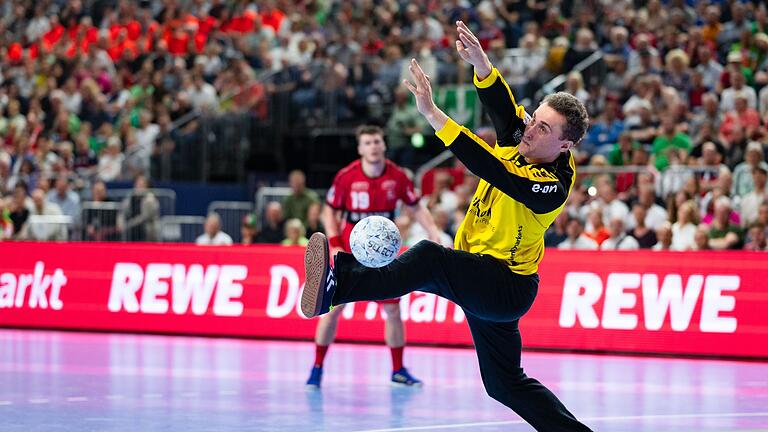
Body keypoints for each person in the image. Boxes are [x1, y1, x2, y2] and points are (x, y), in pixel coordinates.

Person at [301, 21, 592, 431]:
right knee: (505, 385)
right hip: (486, 276)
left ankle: (339, 283)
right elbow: (506, 110)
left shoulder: (552, 186)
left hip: (504, 284)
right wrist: (482, 65)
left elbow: (492, 167)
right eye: (535, 119)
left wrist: (434, 115)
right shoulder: (528, 138)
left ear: (566, 145)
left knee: (430, 259)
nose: (530, 128)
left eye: (543, 128)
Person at [305, 124, 443, 390]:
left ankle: (398, 370)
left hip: (382, 255)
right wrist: (334, 243)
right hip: (348, 252)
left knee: (392, 309)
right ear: (360, 149)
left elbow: (416, 207)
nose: (373, 147)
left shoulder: (397, 176)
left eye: (377, 142)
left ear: (384, 145)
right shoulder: (347, 177)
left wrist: (434, 233)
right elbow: (329, 211)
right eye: (367, 143)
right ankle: (317, 367)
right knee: (332, 310)